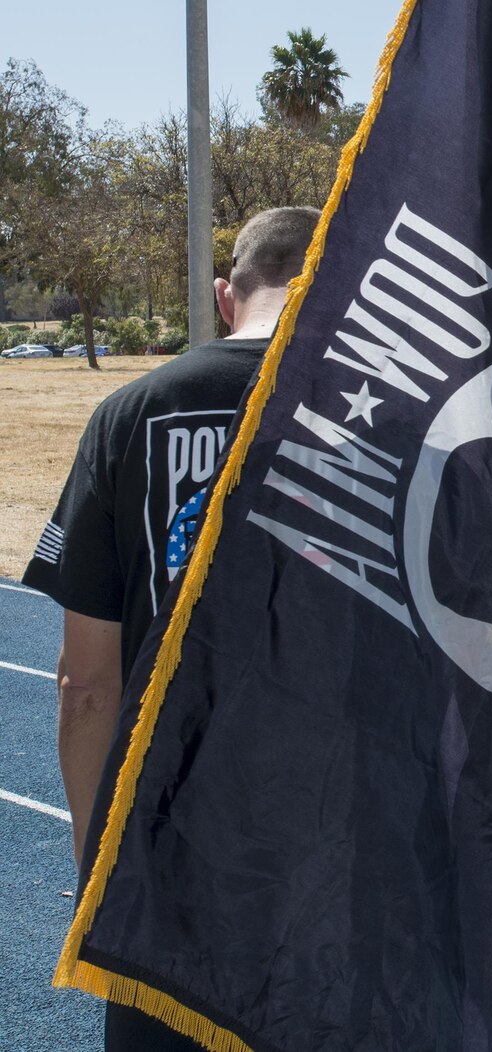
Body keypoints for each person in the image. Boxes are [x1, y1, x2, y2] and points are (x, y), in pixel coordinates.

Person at [22, 206, 321, 1052]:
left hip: (162, 839)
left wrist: (98, 861)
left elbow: (85, 685)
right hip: (338, 837)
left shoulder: (130, 415)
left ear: (226, 296)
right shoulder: (392, 426)